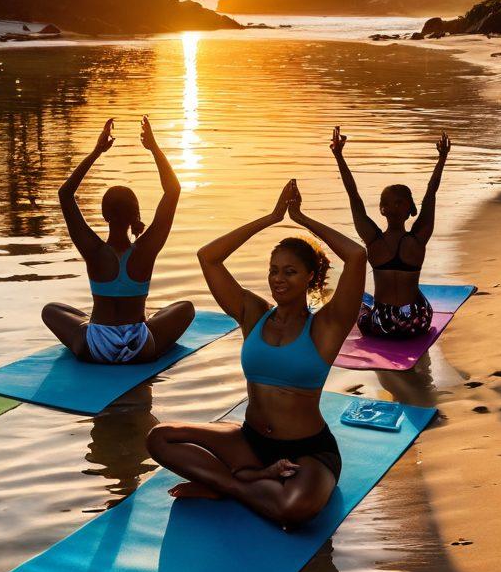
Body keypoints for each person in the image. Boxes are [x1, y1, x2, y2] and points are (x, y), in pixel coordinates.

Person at [146, 181, 366, 529]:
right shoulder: (253, 312)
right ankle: (243, 482)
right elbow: (208, 256)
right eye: (273, 270)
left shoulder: (326, 326)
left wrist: (302, 219)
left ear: (310, 276)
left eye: (290, 272)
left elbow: (356, 256)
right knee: (159, 438)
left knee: (294, 509)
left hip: (307, 451)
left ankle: (231, 484)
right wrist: (271, 217)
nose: (278, 279)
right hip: (249, 442)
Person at [42, 116, 195, 363]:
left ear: (104, 215)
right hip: (140, 345)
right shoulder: (146, 249)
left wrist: (96, 152)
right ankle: (143, 331)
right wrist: (154, 148)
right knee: (186, 308)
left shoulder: (93, 250)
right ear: (136, 215)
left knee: (51, 310)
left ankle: (97, 328)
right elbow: (173, 190)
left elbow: (65, 194)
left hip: (95, 346)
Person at [331, 126, 451, 339]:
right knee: (416, 296)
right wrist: (442, 158)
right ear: (410, 210)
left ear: (381, 210)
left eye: (396, 203)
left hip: (382, 325)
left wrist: (339, 156)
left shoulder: (373, 240)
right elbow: (430, 194)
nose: (393, 207)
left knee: (358, 302)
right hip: (417, 321)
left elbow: (354, 196)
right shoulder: (418, 239)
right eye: (390, 203)